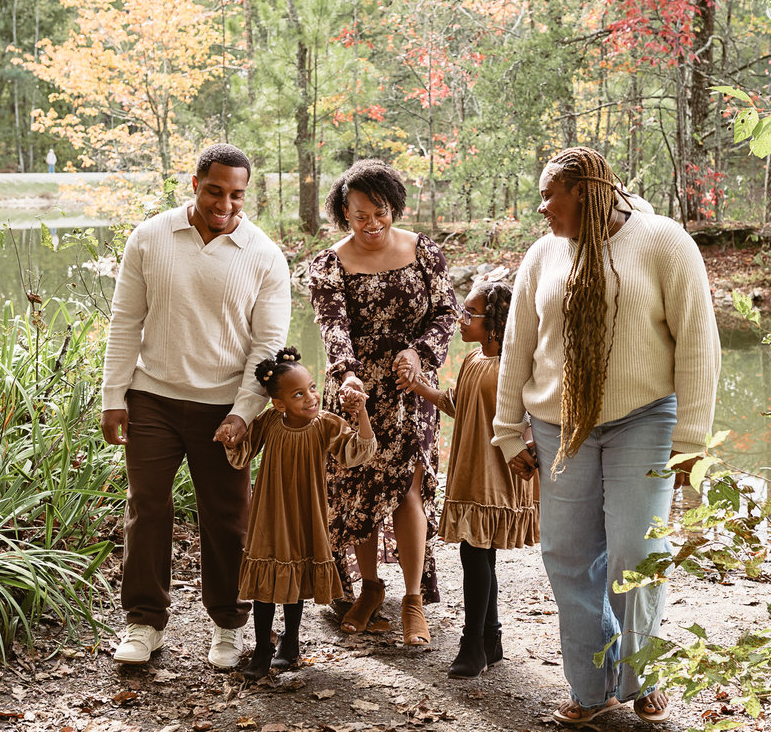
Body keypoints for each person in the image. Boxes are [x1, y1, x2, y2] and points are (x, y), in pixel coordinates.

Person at [491, 146, 720, 725]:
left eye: (551, 195)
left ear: (587, 194)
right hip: (557, 425)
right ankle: (592, 689)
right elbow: (518, 345)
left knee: (635, 553)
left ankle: (641, 674)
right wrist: (508, 431)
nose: (541, 207)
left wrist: (691, 442)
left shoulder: (664, 241)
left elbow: (697, 342)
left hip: (642, 418)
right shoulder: (543, 254)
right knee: (568, 556)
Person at [101, 143, 290, 669]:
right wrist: (114, 396)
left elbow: (268, 346)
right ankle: (144, 622)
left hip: (223, 407)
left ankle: (228, 624)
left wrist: (243, 411)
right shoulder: (151, 236)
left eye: (236, 194)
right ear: (195, 183)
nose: (225, 204)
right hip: (153, 398)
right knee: (147, 510)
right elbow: (124, 322)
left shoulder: (263, 254)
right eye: (215, 191)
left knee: (228, 518)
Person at [308, 158, 458, 646]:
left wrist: (420, 352)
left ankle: (413, 599)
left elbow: (445, 312)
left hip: (412, 389)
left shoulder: (423, 251)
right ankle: (370, 588)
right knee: (360, 490)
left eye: (381, 212)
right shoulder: (330, 263)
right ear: (343, 213)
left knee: (409, 489)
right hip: (355, 391)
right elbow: (334, 326)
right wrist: (347, 375)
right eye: (360, 215)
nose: (372, 224)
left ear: (394, 206)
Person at [407, 279, 538, 679]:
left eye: (470, 314)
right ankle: (490, 638)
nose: (461, 320)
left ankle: (473, 645)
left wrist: (531, 450)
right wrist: (418, 386)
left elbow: (535, 415)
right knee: (480, 554)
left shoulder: (516, 366)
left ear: (495, 322)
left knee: (474, 552)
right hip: (470, 469)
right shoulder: (473, 361)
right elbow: (458, 404)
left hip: (497, 473)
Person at [221, 347, 378, 681]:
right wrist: (231, 439)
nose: (311, 398)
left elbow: (358, 452)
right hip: (269, 512)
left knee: (295, 576)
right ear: (279, 404)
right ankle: (263, 648)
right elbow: (242, 456)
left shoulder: (326, 425)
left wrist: (361, 413)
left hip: (305, 512)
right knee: (266, 583)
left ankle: (289, 643)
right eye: (299, 394)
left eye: (312, 388)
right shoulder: (268, 422)